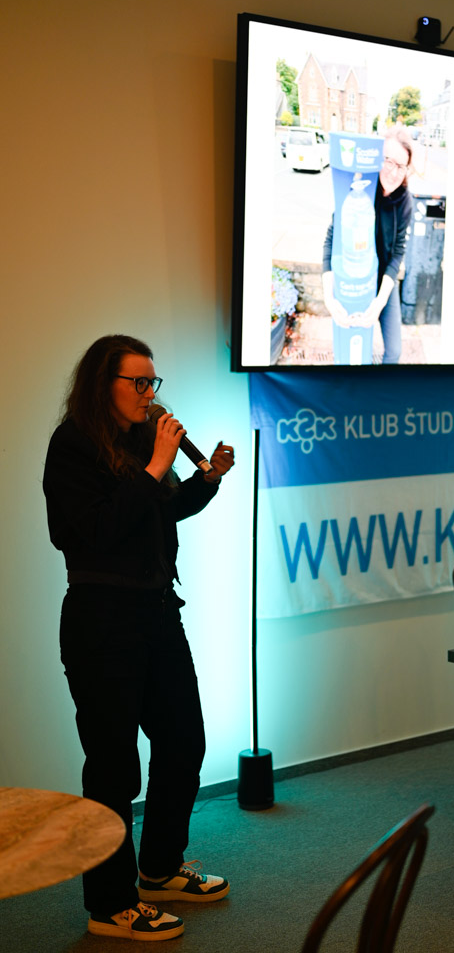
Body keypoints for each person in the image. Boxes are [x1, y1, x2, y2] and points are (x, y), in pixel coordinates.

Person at [43, 335, 235, 941]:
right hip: (102, 621)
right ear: (104, 385)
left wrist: (205, 479)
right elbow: (94, 531)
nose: (150, 394)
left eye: (154, 382)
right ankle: (109, 905)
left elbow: (162, 508)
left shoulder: (138, 440)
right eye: (139, 382)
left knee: (184, 741)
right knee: (113, 768)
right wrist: (155, 466)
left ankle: (158, 870)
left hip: (156, 613)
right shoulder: (73, 445)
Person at [322, 128, 414, 363]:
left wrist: (379, 302)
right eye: (388, 161)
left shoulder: (405, 203)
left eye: (401, 166)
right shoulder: (360, 191)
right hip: (358, 279)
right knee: (352, 345)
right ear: (377, 158)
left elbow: (397, 254)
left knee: (394, 351)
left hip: (384, 280)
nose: (394, 172)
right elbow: (332, 239)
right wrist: (328, 297)